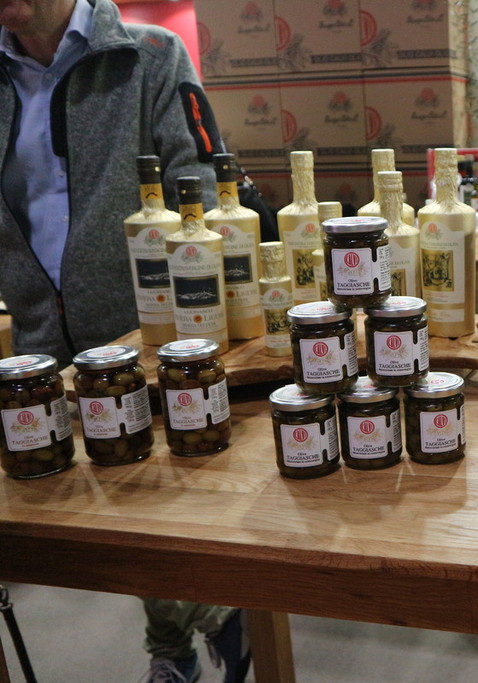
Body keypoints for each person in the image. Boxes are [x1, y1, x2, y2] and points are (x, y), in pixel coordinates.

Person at [0, 1, 248, 681]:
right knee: (108, 507)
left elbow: (198, 185)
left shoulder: (149, 57)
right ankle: (204, 628)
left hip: (151, 330)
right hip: (41, 337)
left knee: (167, 497)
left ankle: (183, 644)